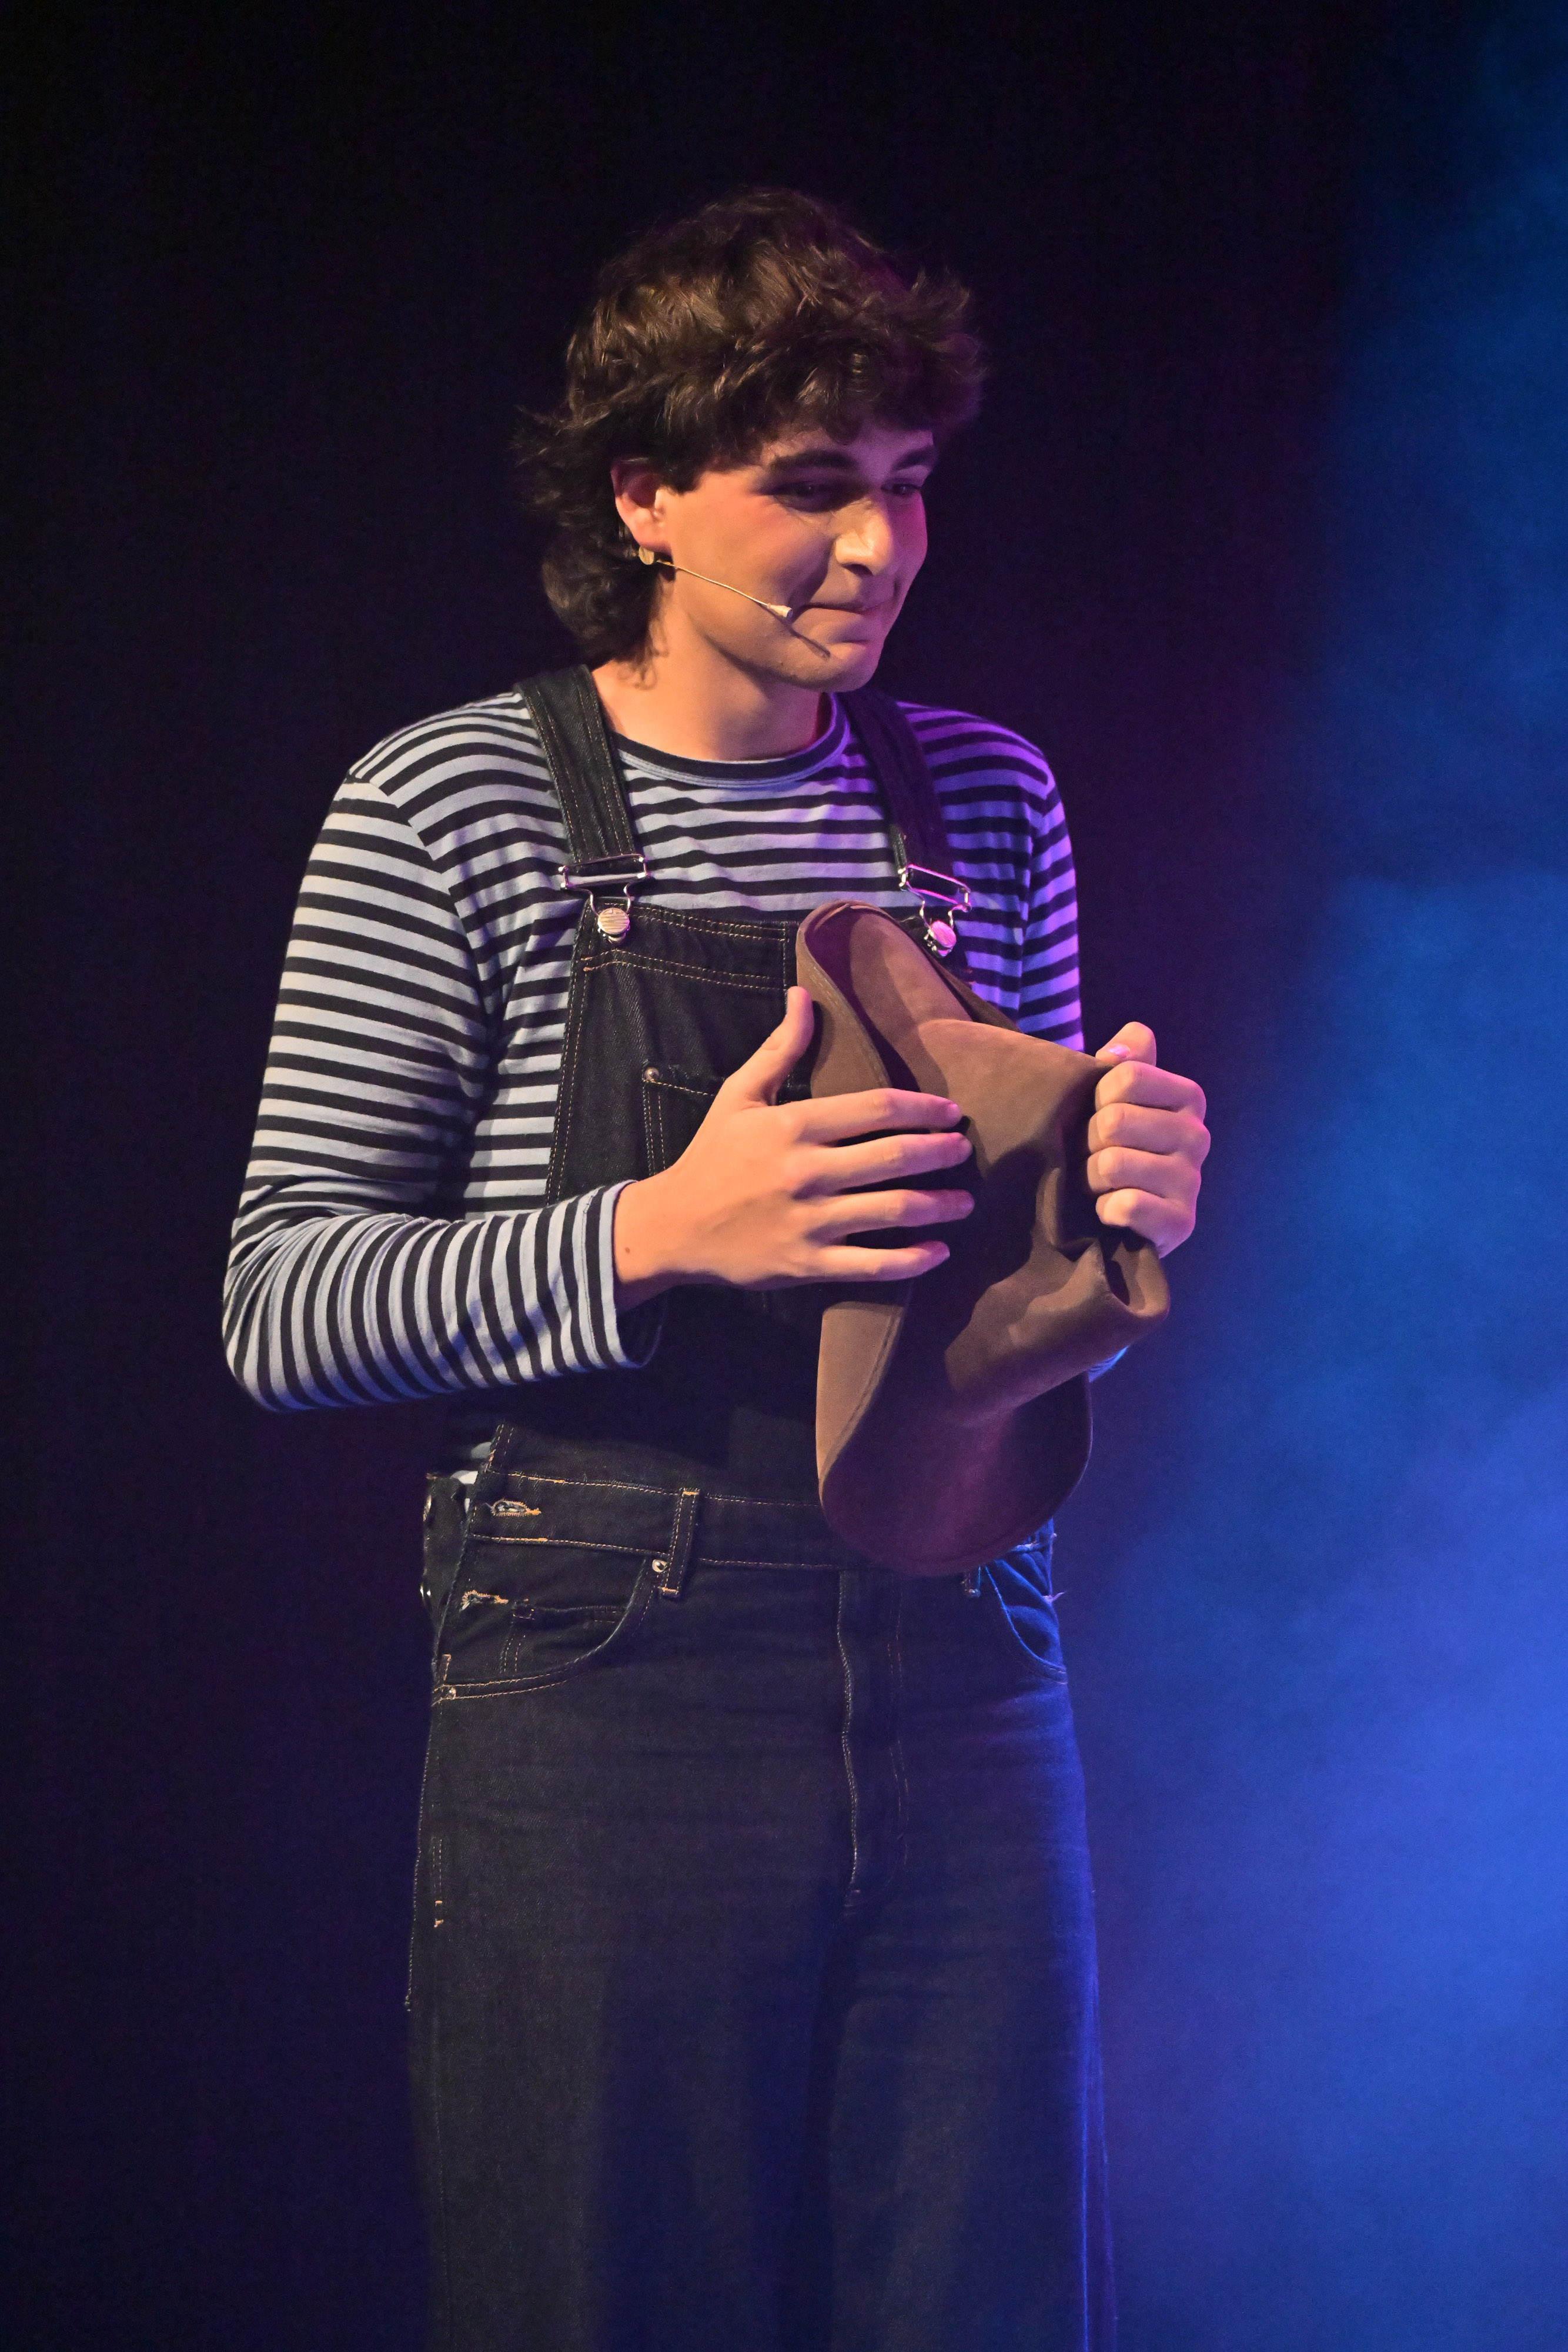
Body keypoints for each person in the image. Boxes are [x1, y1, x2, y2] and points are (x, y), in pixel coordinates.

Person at [225, 188, 1209, 2352]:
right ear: (644, 498)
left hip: (964, 1642)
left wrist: (1115, 1231)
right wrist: (665, 1229)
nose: (877, 549)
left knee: (982, 2295)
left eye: (909, 486)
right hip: (610, 1655)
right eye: (810, 487)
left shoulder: (984, 805)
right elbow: (283, 1305)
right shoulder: (452, 801)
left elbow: (1013, 1343)